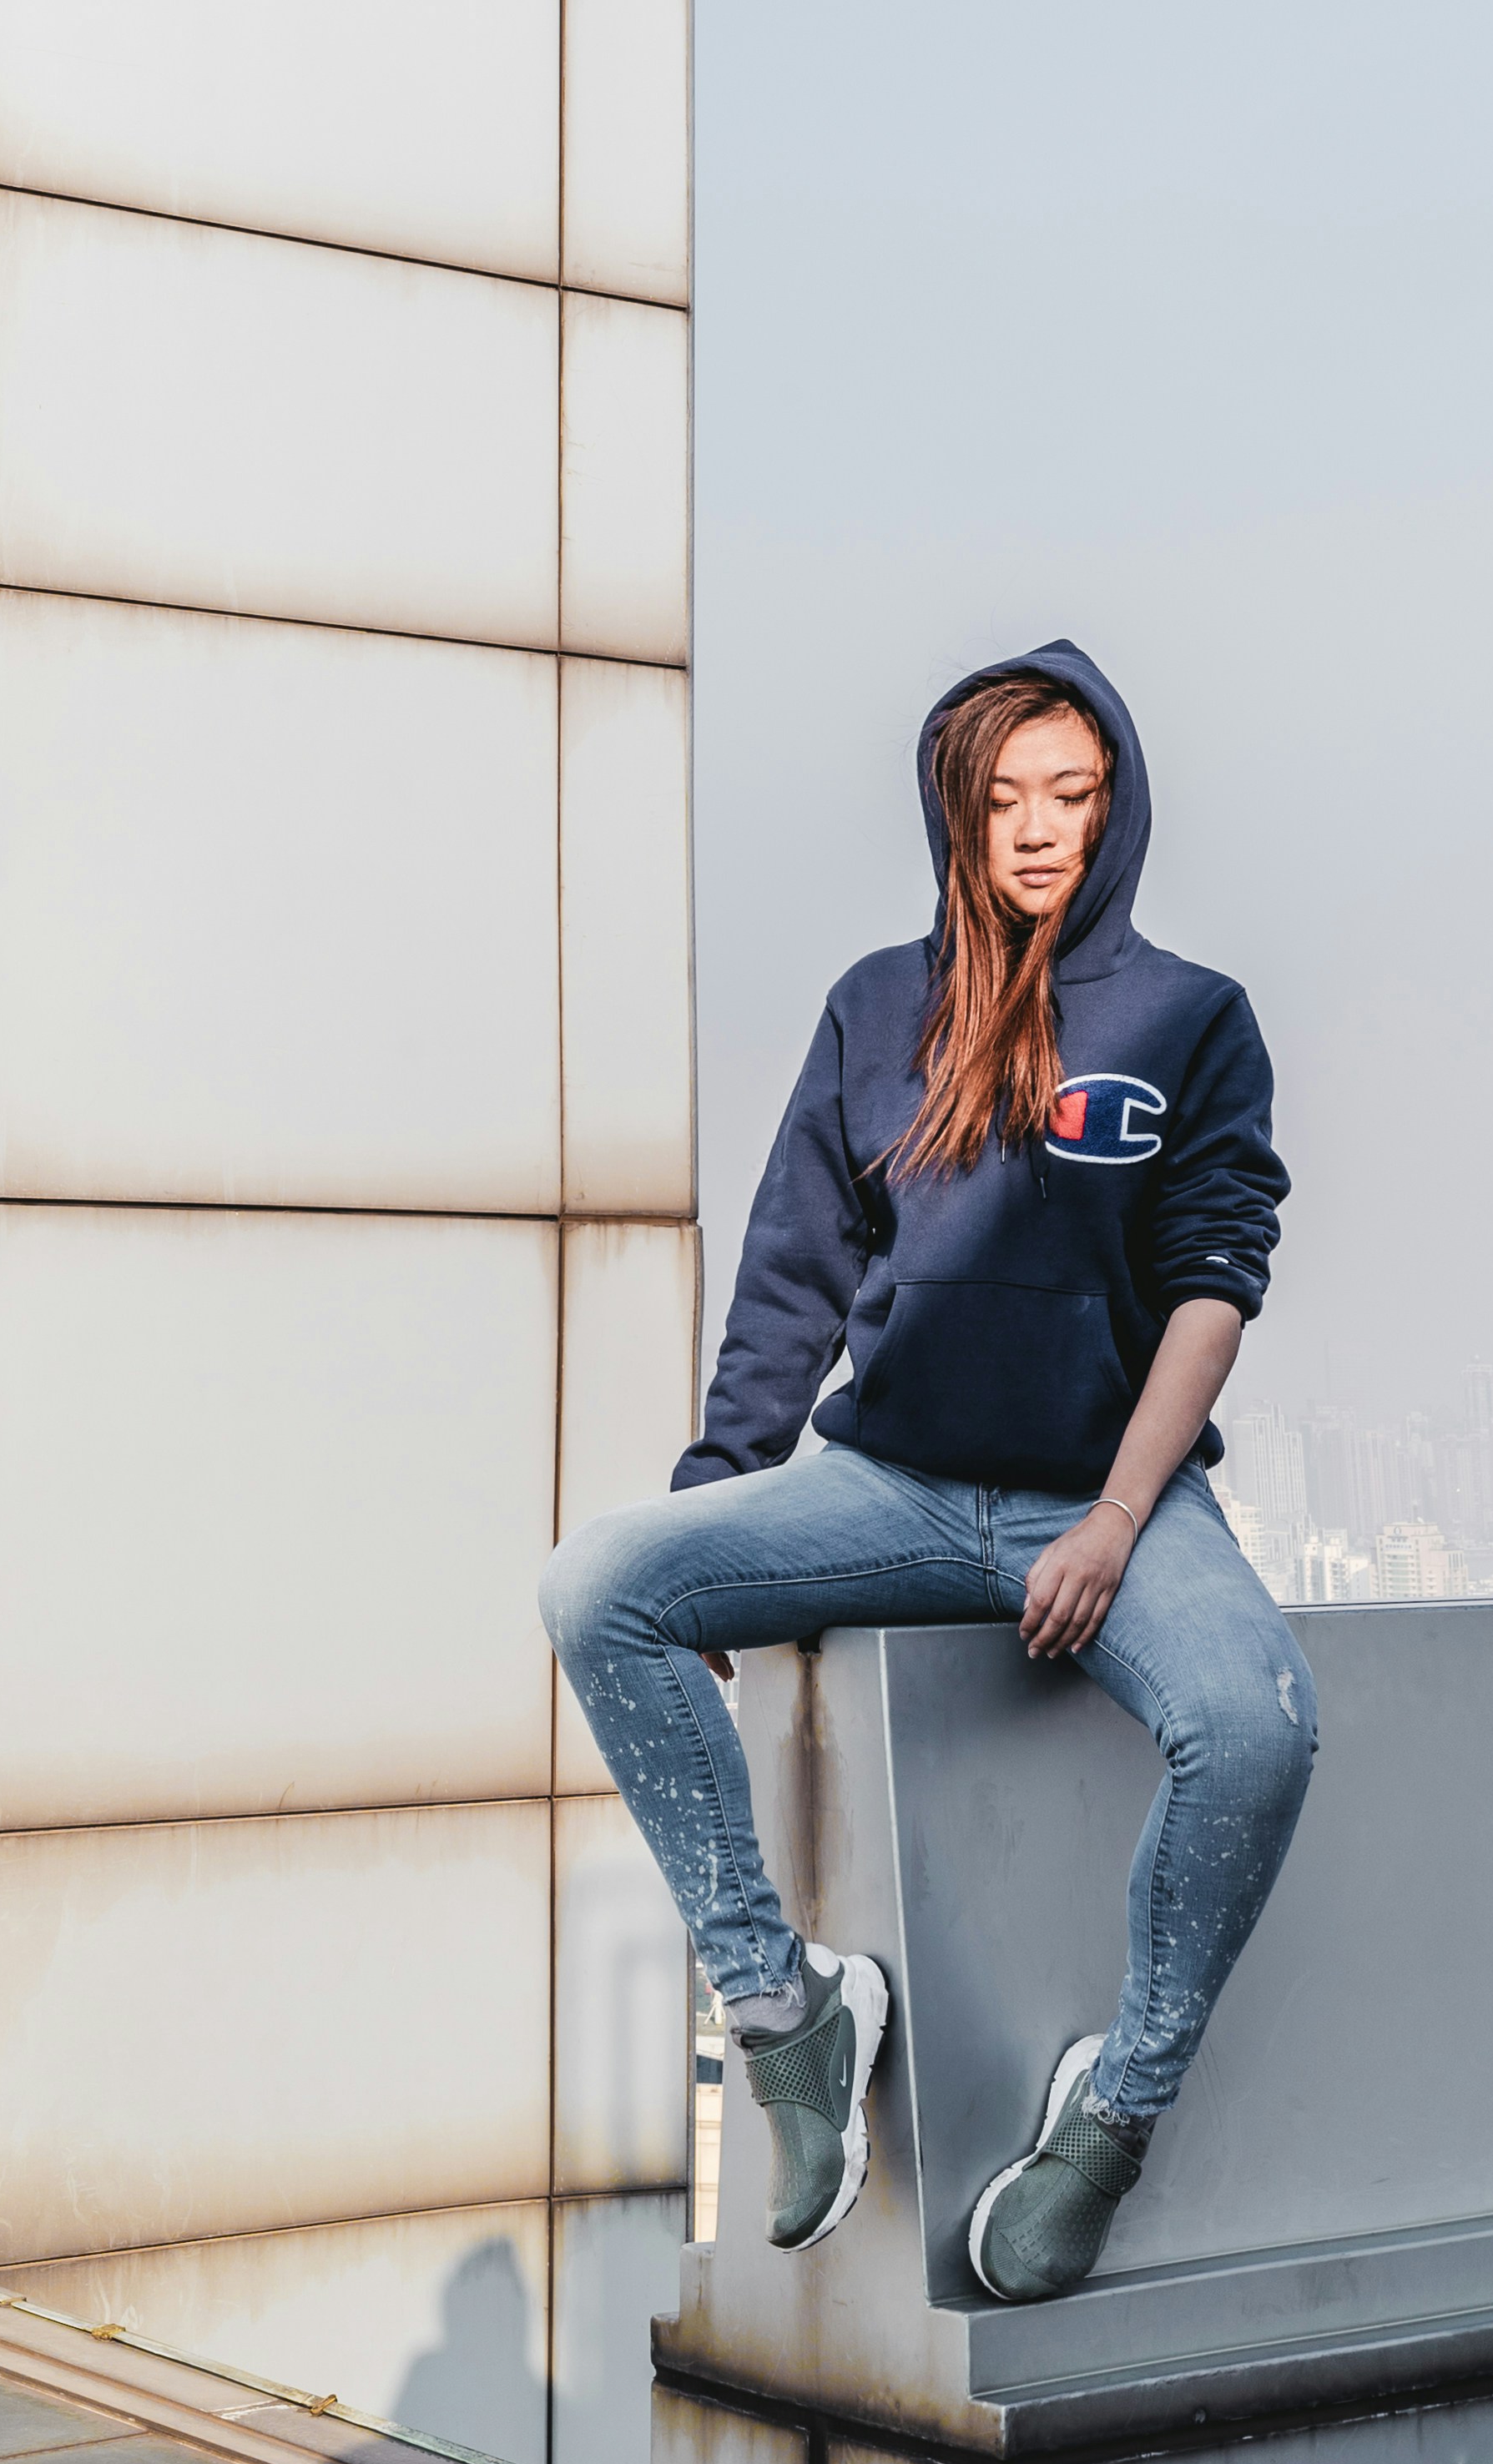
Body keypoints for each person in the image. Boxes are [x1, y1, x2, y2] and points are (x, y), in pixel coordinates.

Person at [540, 640, 1314, 2305]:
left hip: (1104, 1503)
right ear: (955, 814)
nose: (1036, 827)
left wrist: (1114, 1520)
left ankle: (1112, 2112)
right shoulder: (875, 1007)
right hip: (887, 1486)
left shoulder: (1189, 1017)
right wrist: (718, 1478)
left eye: (1070, 793)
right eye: (1002, 796)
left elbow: (1211, 1287)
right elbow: (795, 1272)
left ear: (1115, 808)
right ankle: (783, 2010)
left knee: (1255, 1722)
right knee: (598, 1584)